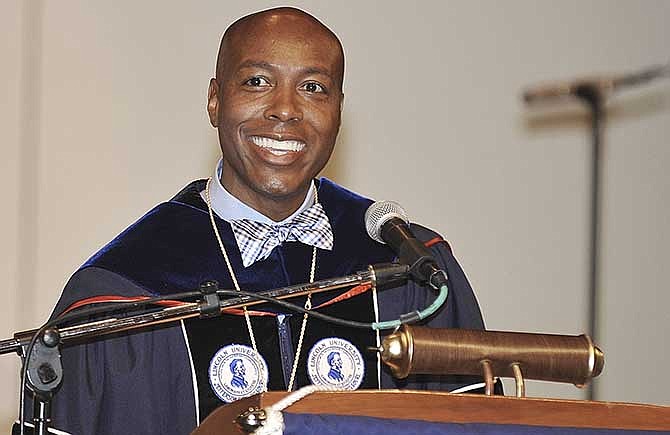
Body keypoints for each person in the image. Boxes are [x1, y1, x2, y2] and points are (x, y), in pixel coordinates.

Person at [20, 7, 486, 435]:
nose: (285, 109)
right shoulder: (121, 295)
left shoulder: (412, 271)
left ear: (338, 112)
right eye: (257, 82)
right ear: (214, 101)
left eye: (313, 88)